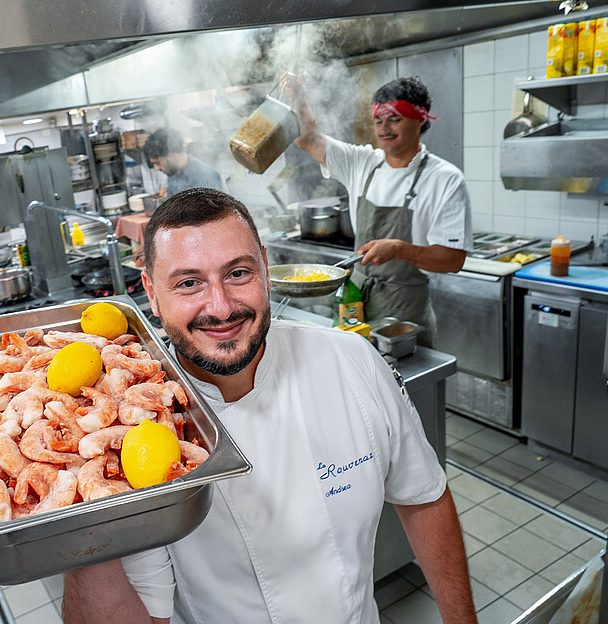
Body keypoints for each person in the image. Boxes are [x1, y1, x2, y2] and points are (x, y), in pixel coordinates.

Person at [62, 188, 477, 624]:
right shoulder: (129, 430)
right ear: (151, 291)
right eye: (189, 283)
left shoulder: (350, 360)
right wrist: (80, 528)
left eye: (238, 273)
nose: (220, 307)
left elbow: (425, 497)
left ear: (264, 265)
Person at [293, 76, 472, 346]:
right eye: (379, 120)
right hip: (355, 304)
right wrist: (297, 98)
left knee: (409, 385)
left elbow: (453, 260)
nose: (384, 128)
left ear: (420, 119)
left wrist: (399, 249)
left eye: (395, 119)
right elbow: (310, 139)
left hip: (404, 314)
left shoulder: (445, 179)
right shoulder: (362, 162)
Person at [143, 128, 224, 197]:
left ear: (172, 155)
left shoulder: (205, 175)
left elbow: (215, 213)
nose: (156, 168)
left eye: (157, 163)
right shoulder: (173, 171)